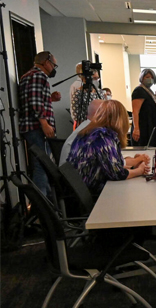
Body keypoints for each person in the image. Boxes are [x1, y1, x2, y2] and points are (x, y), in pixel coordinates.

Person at [66, 100, 149, 193]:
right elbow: (117, 174)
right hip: (91, 191)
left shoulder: (91, 131)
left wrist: (133, 165)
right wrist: (139, 170)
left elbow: (112, 164)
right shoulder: (102, 136)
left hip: (79, 188)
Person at [18, 51, 62, 198]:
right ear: (47, 62)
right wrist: (45, 123)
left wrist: (50, 98)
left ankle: (47, 199)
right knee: (41, 165)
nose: (54, 68)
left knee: (41, 164)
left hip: (31, 127)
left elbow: (34, 99)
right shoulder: (38, 76)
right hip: (36, 128)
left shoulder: (27, 76)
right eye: (54, 65)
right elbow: (35, 103)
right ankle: (44, 204)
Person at [131, 68, 156, 147]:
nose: (150, 79)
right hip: (144, 127)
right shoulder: (139, 91)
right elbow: (135, 111)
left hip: (151, 126)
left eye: (152, 78)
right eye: (147, 77)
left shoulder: (149, 92)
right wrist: (136, 128)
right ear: (142, 78)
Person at [61, 99, 104, 166]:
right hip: (78, 174)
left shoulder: (84, 126)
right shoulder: (93, 131)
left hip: (69, 173)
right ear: (99, 113)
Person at [69, 63, 103, 127]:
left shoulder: (100, 93)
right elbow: (76, 116)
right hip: (86, 127)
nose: (96, 81)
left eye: (97, 78)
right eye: (94, 78)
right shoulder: (78, 94)